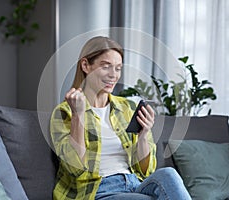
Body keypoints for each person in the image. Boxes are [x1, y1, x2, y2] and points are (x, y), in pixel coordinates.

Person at [50, 36, 192, 200]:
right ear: (85, 66)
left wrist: (144, 134)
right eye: (106, 67)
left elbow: (147, 170)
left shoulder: (128, 108)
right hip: (98, 191)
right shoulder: (65, 112)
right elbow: (75, 168)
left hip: (136, 185)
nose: (113, 75)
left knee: (168, 174)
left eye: (118, 68)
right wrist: (78, 116)